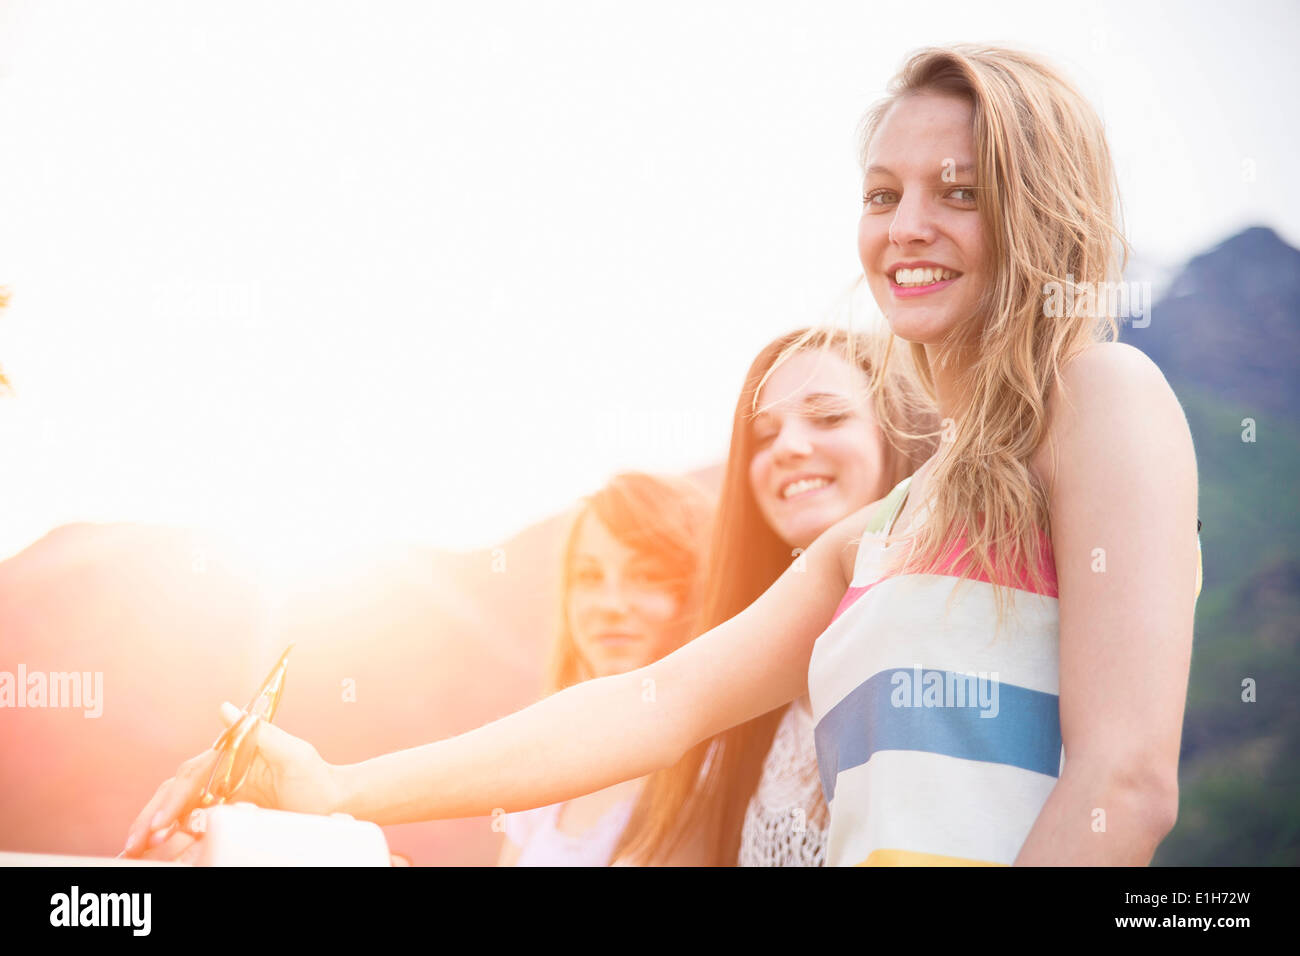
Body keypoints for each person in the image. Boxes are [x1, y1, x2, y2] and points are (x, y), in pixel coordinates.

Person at [125, 44, 1202, 867]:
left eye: (957, 190)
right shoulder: (874, 535)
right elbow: (648, 706)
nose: (905, 225)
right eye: (882, 194)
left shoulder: (1099, 394)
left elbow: (1127, 778)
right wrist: (334, 788)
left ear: (1037, 202)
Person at [611, 326, 938, 866]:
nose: (788, 446)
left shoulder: (949, 643)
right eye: (764, 435)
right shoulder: (749, 705)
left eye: (829, 417)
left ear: (897, 433)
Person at [496, 472, 713, 866]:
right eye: (589, 577)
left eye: (646, 576)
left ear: (696, 588)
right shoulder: (543, 768)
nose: (611, 604)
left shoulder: (717, 768)